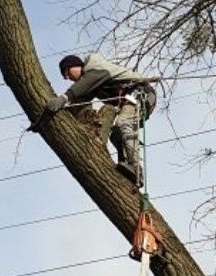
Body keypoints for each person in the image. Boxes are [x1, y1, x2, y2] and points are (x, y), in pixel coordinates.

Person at [34, 51, 157, 187]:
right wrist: (44, 120)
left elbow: (82, 86)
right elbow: (77, 101)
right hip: (132, 101)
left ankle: (136, 168)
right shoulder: (92, 84)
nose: (68, 77)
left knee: (123, 122)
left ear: (75, 65)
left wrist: (63, 98)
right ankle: (127, 170)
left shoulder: (95, 67)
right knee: (116, 135)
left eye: (67, 72)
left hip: (140, 94)